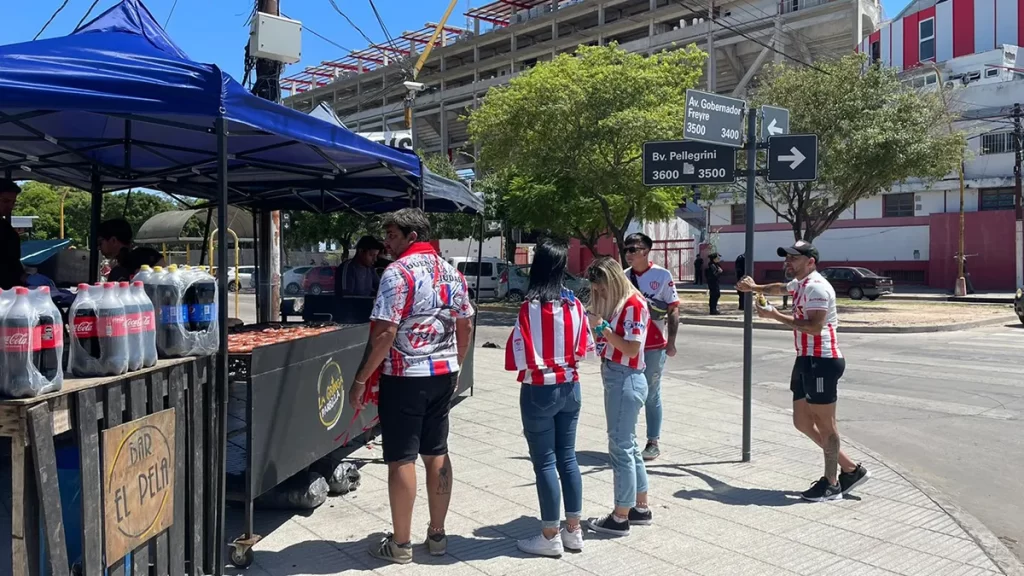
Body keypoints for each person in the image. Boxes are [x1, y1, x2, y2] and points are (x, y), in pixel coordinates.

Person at [349, 208, 474, 564]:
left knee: (401, 456)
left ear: (412, 237)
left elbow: (386, 332)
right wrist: (457, 364)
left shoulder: (397, 273)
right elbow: (466, 325)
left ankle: (401, 544)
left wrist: (360, 380)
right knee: (437, 450)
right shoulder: (453, 273)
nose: (387, 243)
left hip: (405, 376)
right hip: (443, 372)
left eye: (392, 235)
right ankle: (437, 534)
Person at [736, 240, 870, 502]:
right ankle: (851, 469)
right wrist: (755, 289)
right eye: (787, 258)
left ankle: (831, 484)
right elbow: (779, 287)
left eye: (794, 258)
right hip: (805, 359)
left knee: (826, 426)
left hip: (823, 360)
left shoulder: (818, 288)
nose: (788, 262)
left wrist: (775, 315)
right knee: (801, 422)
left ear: (811, 262)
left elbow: (813, 327)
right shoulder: (800, 284)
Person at [504, 238, 594, 557]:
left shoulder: (529, 306)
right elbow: (587, 347)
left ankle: (549, 535)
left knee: (544, 463)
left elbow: (517, 355)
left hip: (539, 390)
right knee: (567, 458)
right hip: (571, 388)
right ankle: (573, 530)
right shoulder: (575, 304)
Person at [582, 256, 652, 537]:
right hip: (623, 376)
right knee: (629, 446)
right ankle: (639, 506)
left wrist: (602, 328)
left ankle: (621, 515)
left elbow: (632, 349)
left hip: (625, 376)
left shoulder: (633, 305)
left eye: (601, 289)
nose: (598, 294)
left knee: (620, 447)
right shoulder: (626, 303)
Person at [621, 233, 680, 462]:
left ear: (646, 251)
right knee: (628, 392)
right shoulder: (623, 277)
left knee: (651, 394)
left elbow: (673, 309)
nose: (628, 254)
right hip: (629, 343)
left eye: (633, 249)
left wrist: (672, 342)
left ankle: (652, 441)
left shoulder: (662, 275)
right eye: (626, 249)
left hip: (654, 344)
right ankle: (627, 437)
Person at [99, 218, 163, 282]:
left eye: (100, 243)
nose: (98, 247)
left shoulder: (148, 256)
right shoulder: (150, 254)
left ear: (113, 241)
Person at [0, 179, 28, 290]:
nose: (10, 206)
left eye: (13, 202)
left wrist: (24, 277)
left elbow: (12, 262)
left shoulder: (6, 228)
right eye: (6, 201)